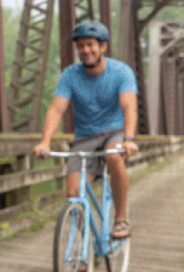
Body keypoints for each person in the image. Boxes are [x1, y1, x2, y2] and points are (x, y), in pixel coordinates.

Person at [33, 21, 139, 242]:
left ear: (103, 47)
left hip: (114, 132)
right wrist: (44, 141)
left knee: (113, 156)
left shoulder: (121, 72)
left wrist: (128, 139)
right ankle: (84, 245)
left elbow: (129, 106)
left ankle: (120, 218)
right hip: (84, 137)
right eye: (81, 46)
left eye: (90, 44)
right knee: (73, 195)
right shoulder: (70, 75)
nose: (85, 50)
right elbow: (56, 109)